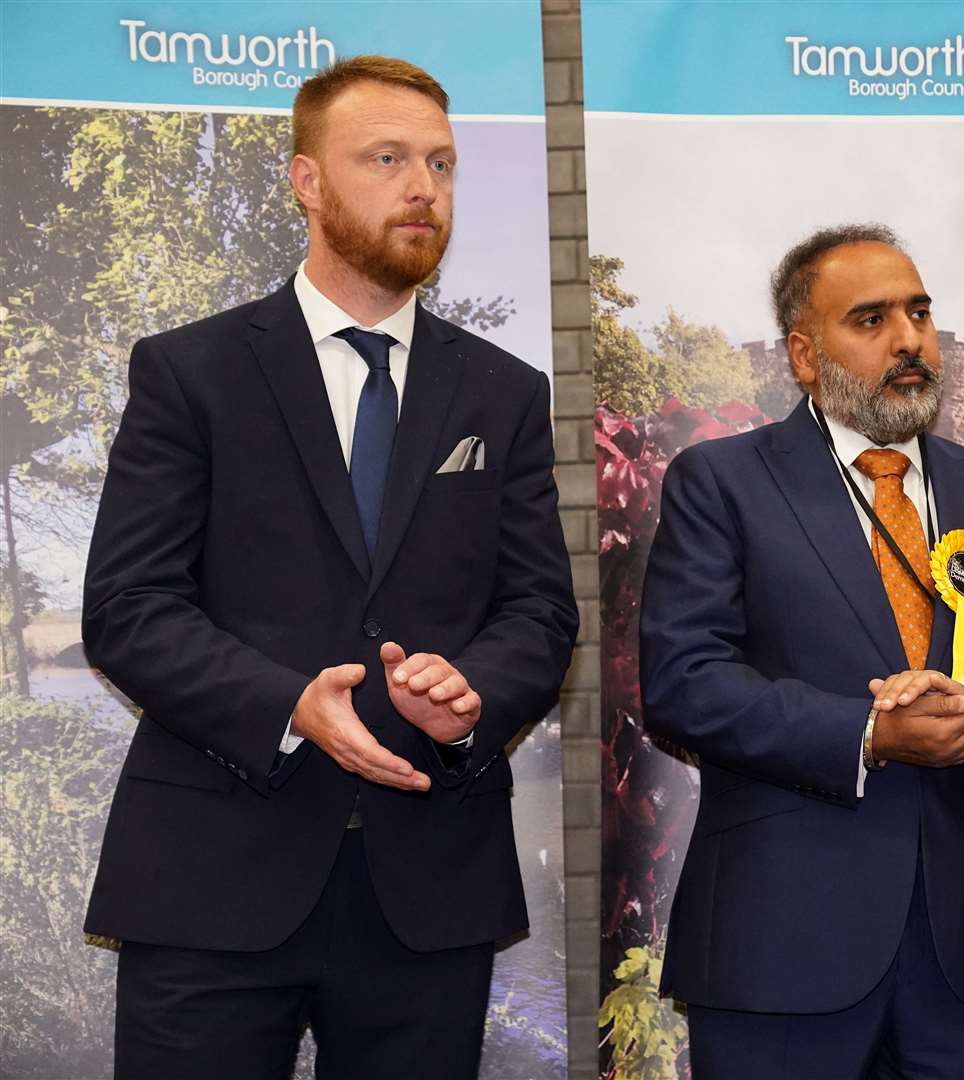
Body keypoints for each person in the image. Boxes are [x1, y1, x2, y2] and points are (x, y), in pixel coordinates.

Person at [81, 55, 578, 1079]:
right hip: (211, 881)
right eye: (387, 159)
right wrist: (286, 704)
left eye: (441, 163)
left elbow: (539, 612)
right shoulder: (190, 372)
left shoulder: (505, 393)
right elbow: (129, 607)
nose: (422, 189)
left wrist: (473, 693)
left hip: (429, 888)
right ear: (307, 180)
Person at [639, 223, 964, 1078]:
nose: (909, 338)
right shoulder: (721, 482)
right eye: (872, 319)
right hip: (780, 951)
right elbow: (684, 681)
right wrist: (870, 734)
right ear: (807, 356)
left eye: (920, 313)